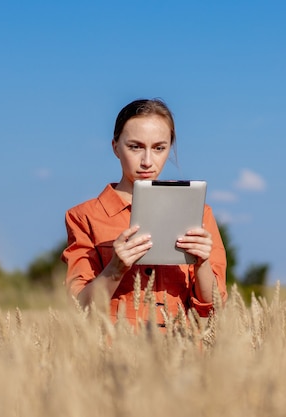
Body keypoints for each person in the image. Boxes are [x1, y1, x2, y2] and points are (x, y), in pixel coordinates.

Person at [61, 98, 227, 327]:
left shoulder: (199, 213)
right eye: (135, 147)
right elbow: (78, 308)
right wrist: (115, 268)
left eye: (159, 148)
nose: (147, 161)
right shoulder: (83, 217)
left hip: (181, 355)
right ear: (115, 147)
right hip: (115, 355)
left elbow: (215, 309)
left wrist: (202, 264)